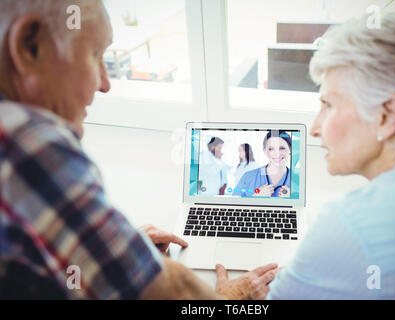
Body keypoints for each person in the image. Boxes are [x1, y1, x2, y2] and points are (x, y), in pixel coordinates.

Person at [0, 0, 277, 299]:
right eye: (95, 55)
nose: (104, 84)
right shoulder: (29, 146)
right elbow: (175, 293)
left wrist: (122, 251)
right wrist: (233, 299)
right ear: (30, 47)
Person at [217, 13, 395, 299]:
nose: (315, 128)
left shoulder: (348, 226)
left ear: (387, 115)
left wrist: (228, 297)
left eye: (328, 105)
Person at [233, 131, 291, 198]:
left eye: (282, 148)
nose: (277, 153)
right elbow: (232, 205)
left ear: (290, 149)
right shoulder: (248, 177)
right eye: (271, 149)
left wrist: (293, 198)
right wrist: (255, 197)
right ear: (265, 151)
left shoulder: (299, 180)